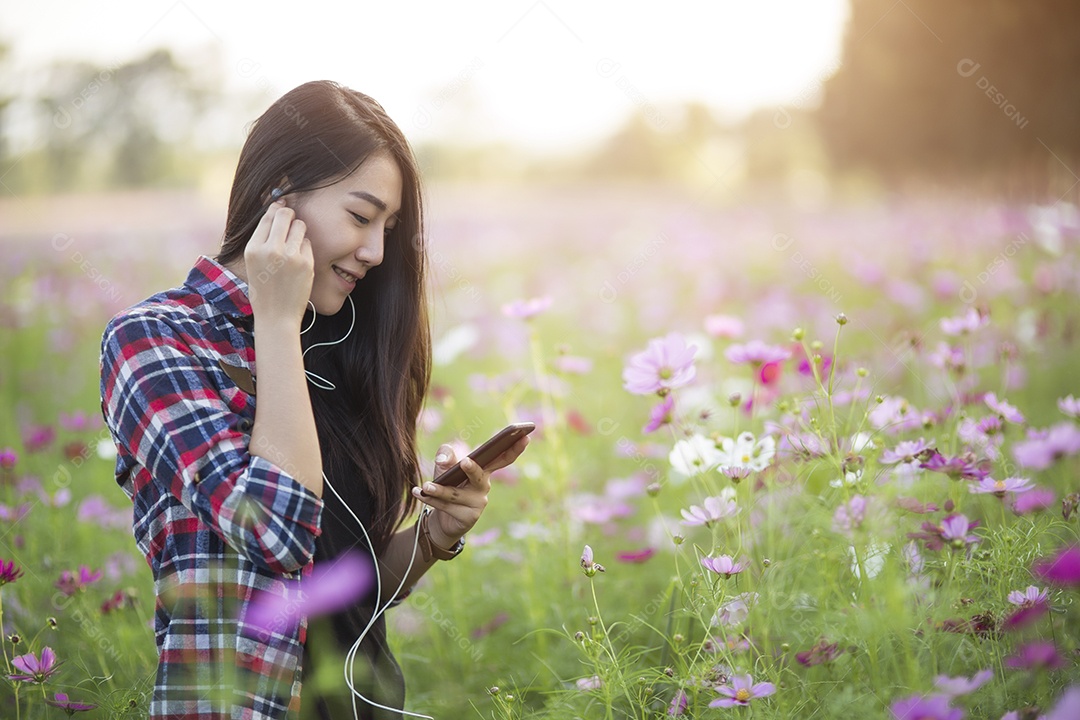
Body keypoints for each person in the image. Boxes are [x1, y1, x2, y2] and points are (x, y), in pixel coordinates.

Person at [98, 80, 529, 720]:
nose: (376, 252)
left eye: (388, 227)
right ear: (280, 193)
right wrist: (275, 324)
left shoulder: (342, 342)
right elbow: (274, 532)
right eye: (360, 217)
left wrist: (433, 538)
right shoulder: (156, 340)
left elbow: (341, 592)